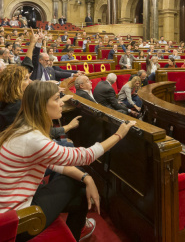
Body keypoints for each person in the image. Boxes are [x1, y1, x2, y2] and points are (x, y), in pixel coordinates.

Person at [0, 79, 136, 241]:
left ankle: (75, 235)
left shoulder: (23, 129)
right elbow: (85, 156)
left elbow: (53, 163)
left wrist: (87, 178)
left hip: (13, 208)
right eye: (56, 99)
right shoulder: (33, 139)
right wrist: (119, 134)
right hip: (18, 220)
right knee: (75, 184)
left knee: (79, 194)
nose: (61, 104)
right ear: (42, 106)